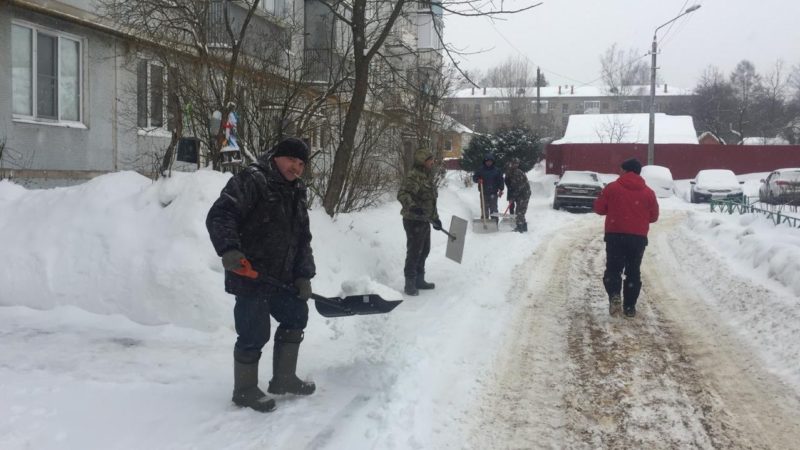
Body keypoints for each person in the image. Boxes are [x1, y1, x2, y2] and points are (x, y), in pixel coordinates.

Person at [206, 137, 316, 413]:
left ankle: (284, 379)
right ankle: (244, 390)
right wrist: (229, 249)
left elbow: (303, 238)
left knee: (296, 316)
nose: (297, 168)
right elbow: (221, 215)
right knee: (254, 332)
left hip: (282, 278)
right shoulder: (252, 180)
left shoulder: (296, 191)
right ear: (277, 157)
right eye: (292, 160)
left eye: (301, 163)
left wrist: (303, 275)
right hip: (249, 273)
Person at [593, 158, 659, 318]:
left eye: (621, 169)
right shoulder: (649, 192)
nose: (619, 172)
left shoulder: (612, 188)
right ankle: (629, 307)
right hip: (638, 239)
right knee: (633, 272)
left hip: (615, 235)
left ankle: (614, 295)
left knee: (614, 269)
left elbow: (600, 209)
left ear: (626, 170)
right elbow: (654, 217)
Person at [397, 148, 442, 296]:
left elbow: (430, 201)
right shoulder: (414, 176)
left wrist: (435, 218)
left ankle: (419, 280)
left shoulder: (426, 176)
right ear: (423, 161)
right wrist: (413, 207)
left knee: (424, 250)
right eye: (430, 160)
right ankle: (410, 283)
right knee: (415, 252)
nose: (433, 162)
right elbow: (403, 194)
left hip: (424, 220)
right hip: (413, 220)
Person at [472, 154, 504, 221]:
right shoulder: (480, 170)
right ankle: (484, 221)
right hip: (484, 193)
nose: (489, 163)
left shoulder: (497, 170)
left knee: (494, 209)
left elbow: (500, 180)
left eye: (490, 161)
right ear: (485, 161)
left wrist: (501, 189)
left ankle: (494, 222)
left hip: (493, 193)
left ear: (493, 162)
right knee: (484, 208)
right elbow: (474, 178)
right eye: (487, 161)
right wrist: (478, 180)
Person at [504, 157, 532, 233]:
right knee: (521, 211)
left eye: (516, 164)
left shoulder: (517, 173)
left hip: (524, 194)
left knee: (519, 211)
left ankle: (520, 227)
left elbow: (519, 187)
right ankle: (523, 226)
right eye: (513, 163)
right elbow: (511, 185)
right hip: (521, 194)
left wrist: (513, 197)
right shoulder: (511, 172)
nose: (514, 165)